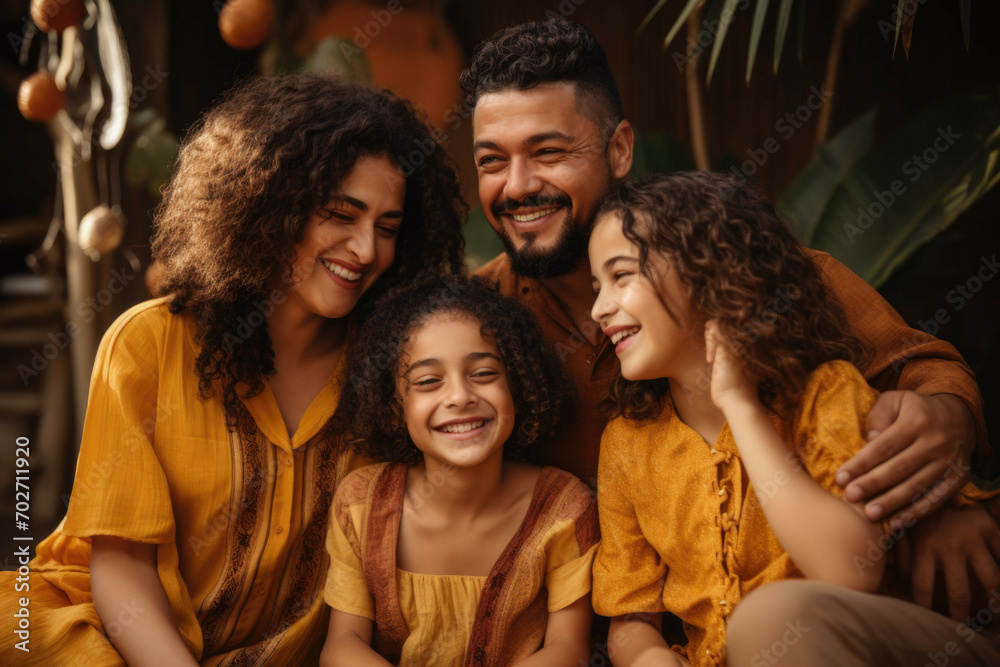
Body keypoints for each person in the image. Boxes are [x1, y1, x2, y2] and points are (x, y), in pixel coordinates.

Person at [462, 16, 998, 614]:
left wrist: (940, 478)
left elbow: (922, 370)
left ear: (618, 150)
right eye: (491, 161)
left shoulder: (741, 276)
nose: (516, 186)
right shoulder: (473, 319)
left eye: (548, 152)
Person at [0, 74, 465, 666]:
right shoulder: (150, 344)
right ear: (271, 203)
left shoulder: (397, 369)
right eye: (340, 215)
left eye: (388, 228)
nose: (367, 249)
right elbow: (119, 566)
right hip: (101, 631)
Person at [588, 172, 1000, 666]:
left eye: (621, 275)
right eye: (596, 286)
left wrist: (741, 407)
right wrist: (646, 658)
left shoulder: (824, 393)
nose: (598, 308)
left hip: (878, 645)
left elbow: (851, 569)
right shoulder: (625, 445)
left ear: (711, 273)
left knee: (774, 618)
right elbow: (630, 618)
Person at [319, 276, 598, 666]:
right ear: (394, 407)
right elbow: (343, 644)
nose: (460, 396)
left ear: (517, 386)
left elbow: (568, 650)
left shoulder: (564, 509)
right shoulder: (360, 504)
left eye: (483, 373)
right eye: (428, 381)